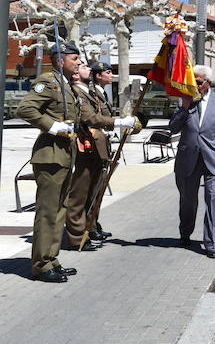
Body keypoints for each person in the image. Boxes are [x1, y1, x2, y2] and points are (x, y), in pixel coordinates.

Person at [17, 42, 132, 282]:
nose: (79, 63)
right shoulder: (48, 81)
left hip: (65, 154)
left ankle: (51, 258)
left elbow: (84, 117)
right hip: (49, 155)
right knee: (48, 212)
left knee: (59, 210)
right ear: (60, 60)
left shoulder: (67, 86)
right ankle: (40, 265)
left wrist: (113, 125)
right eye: (74, 59)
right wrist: (51, 125)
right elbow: (25, 109)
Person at [170, 65, 215, 258]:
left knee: (213, 200)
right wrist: (184, 108)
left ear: (208, 83)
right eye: (193, 81)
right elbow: (173, 128)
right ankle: (185, 233)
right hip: (188, 159)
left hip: (213, 157)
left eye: (198, 82)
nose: (195, 85)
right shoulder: (184, 101)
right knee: (187, 201)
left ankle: (210, 242)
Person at [64, 62, 125, 252]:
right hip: (86, 147)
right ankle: (76, 237)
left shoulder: (88, 92)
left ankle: (87, 229)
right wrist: (118, 122)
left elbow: (99, 116)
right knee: (79, 194)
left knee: (92, 192)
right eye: (82, 66)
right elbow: (89, 118)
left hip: (97, 147)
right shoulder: (76, 92)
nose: (88, 68)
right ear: (75, 75)